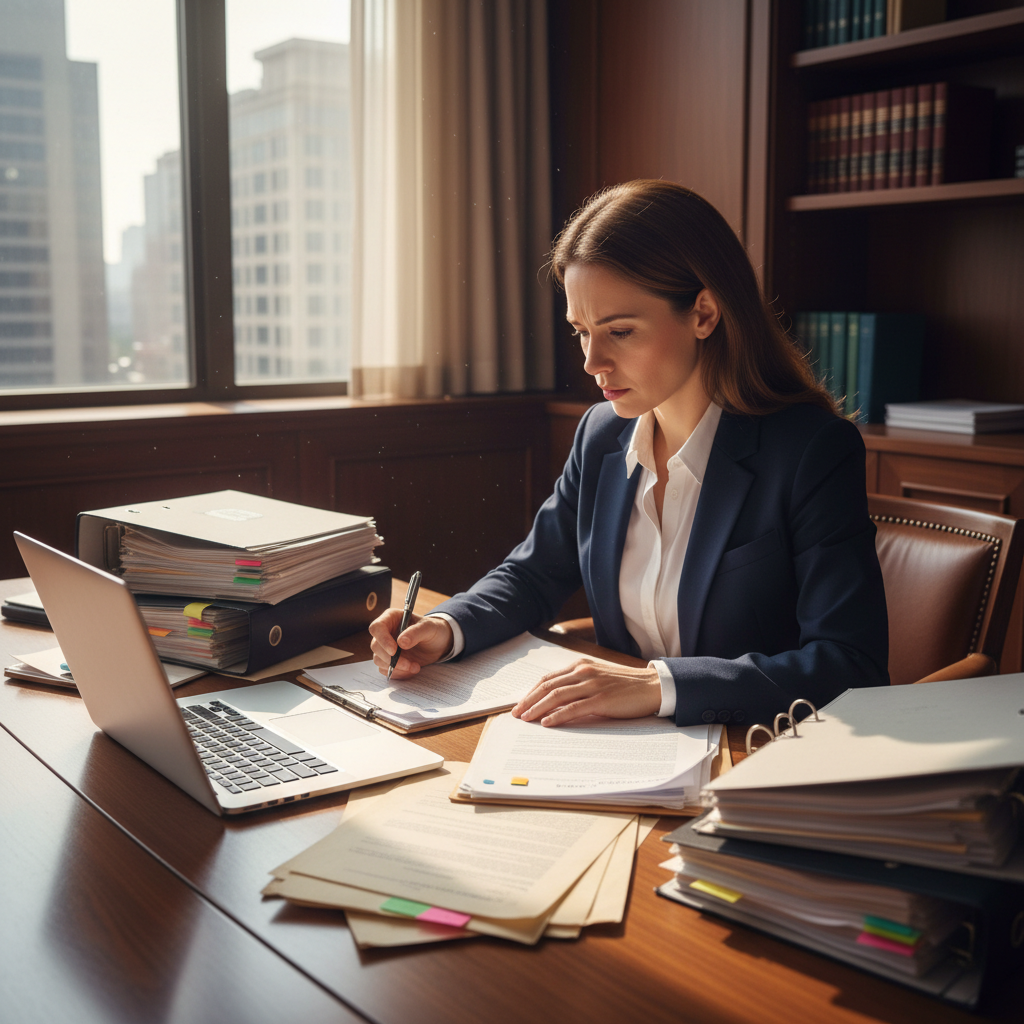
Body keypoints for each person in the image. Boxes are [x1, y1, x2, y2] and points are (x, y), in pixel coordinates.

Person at [369, 180, 889, 729]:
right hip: (619, 748)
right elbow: (532, 575)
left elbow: (850, 665)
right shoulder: (602, 435)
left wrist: (656, 686)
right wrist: (447, 627)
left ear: (704, 314)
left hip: (753, 751)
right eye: (581, 332)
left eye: (620, 331)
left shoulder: (810, 451)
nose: (593, 361)